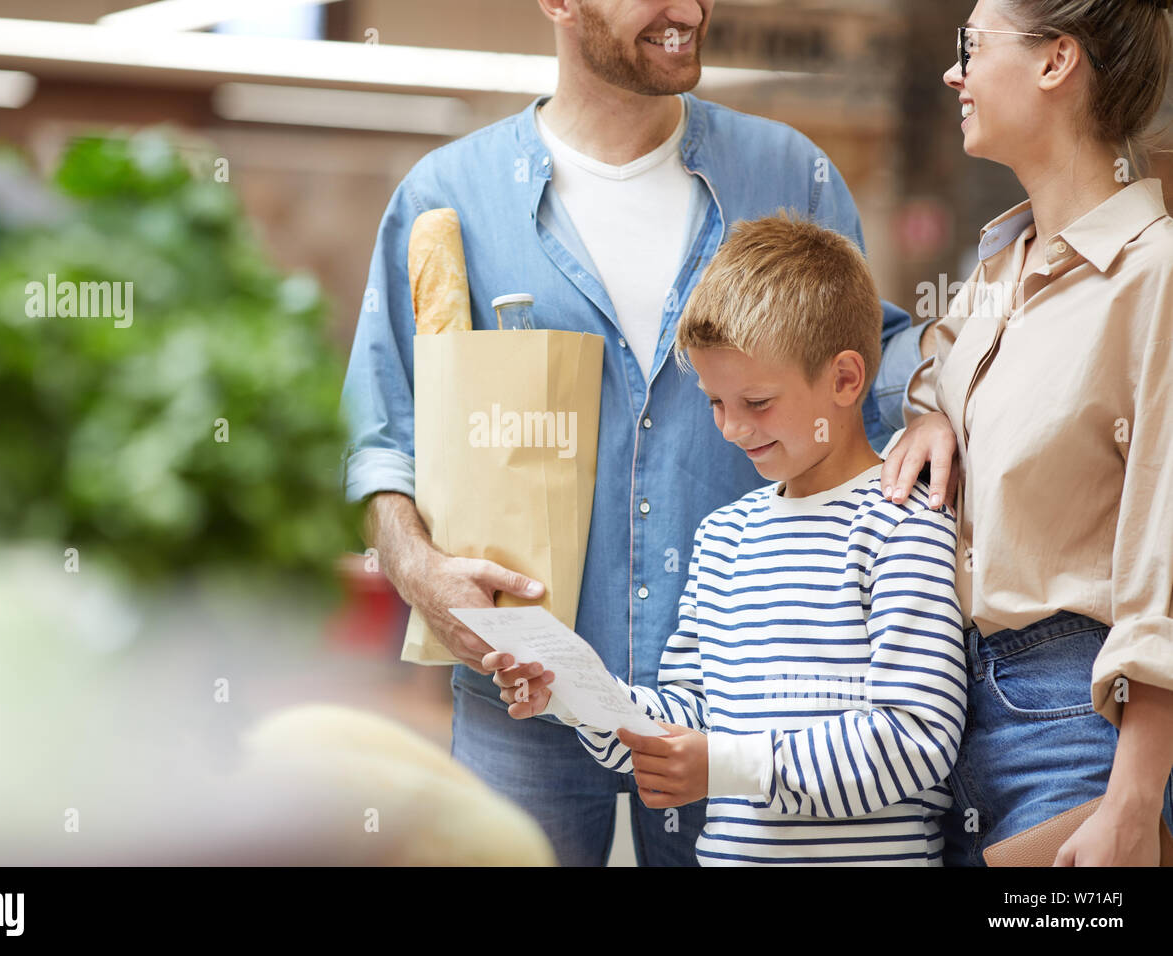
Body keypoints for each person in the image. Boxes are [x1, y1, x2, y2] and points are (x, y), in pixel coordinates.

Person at [342, 0, 927, 866]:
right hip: (523, 688)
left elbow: (869, 363)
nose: (688, 10)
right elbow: (382, 436)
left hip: (737, 705)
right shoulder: (447, 197)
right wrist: (419, 571)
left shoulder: (788, 173)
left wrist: (938, 401)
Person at [487, 214, 967, 865]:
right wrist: (573, 693)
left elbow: (917, 739)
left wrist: (727, 767)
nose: (733, 429)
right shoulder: (723, 538)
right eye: (715, 402)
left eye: (758, 402)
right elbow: (690, 719)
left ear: (847, 379)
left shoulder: (901, 521)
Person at [881, 0, 1173, 865]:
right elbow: (940, 368)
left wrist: (1133, 797)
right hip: (953, 711)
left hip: (1080, 724)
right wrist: (935, 408)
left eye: (971, 46)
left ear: (1057, 63)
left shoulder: (1153, 276)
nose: (953, 71)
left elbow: (1167, 550)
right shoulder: (1002, 267)